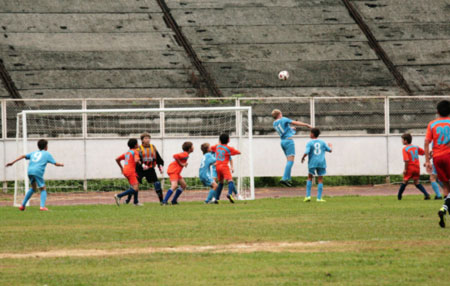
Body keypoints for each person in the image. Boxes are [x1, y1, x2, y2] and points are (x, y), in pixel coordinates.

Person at [6, 139, 64, 211]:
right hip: (37, 171)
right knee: (43, 188)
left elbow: (23, 156)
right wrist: (61, 164)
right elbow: (55, 164)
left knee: (33, 188)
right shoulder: (47, 154)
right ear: (46, 147)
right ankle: (42, 207)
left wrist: (12, 162)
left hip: (30, 171)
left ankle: (22, 206)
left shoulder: (34, 153)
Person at [424, 100, 450, 228]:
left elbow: (426, 142)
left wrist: (428, 161)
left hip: (437, 158)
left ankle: (446, 212)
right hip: (449, 155)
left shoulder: (432, 124)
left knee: (446, 186)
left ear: (437, 111)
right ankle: (444, 209)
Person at [272, 109, 311, 187]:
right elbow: (295, 122)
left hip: (282, 142)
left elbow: (283, 130)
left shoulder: (274, 123)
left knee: (288, 161)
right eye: (281, 113)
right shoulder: (283, 119)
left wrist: (291, 129)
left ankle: (288, 179)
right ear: (279, 114)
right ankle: (284, 178)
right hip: (289, 141)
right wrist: (306, 124)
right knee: (290, 161)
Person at [125, 133, 164, 205]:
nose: (147, 140)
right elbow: (136, 159)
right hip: (140, 169)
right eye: (145, 138)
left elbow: (157, 157)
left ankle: (162, 201)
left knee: (157, 183)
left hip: (150, 169)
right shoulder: (138, 149)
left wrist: (160, 166)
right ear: (142, 140)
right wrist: (141, 165)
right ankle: (128, 200)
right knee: (134, 184)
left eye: (148, 138)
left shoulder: (153, 147)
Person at [301, 128, 332, 202]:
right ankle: (319, 198)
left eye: (310, 133)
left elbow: (307, 152)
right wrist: (330, 146)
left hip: (312, 162)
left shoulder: (309, 143)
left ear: (312, 134)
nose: (309, 134)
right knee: (320, 179)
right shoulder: (322, 142)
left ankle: (308, 196)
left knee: (309, 178)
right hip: (321, 162)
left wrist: (303, 157)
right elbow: (330, 150)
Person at [397, 133, 430, 200]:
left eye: (402, 140)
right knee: (416, 182)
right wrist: (430, 154)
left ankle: (399, 196)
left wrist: (405, 169)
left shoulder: (405, 149)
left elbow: (406, 160)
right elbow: (424, 153)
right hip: (417, 167)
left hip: (410, 167)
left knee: (405, 181)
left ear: (405, 141)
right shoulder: (416, 147)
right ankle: (426, 194)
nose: (402, 141)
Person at [211, 134, 241, 203]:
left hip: (217, 167)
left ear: (220, 140)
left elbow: (211, 148)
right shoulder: (229, 148)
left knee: (221, 182)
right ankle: (229, 194)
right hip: (224, 166)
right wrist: (238, 152)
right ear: (228, 140)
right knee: (230, 180)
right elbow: (238, 152)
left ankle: (216, 198)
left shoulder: (217, 146)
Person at [114, 139, 141, 206]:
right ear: (135, 145)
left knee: (136, 184)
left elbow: (117, 159)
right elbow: (136, 159)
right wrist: (138, 161)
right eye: (137, 143)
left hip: (126, 170)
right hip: (130, 171)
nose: (138, 145)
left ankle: (135, 202)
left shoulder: (127, 153)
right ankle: (119, 196)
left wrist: (121, 168)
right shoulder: (135, 151)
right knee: (135, 188)